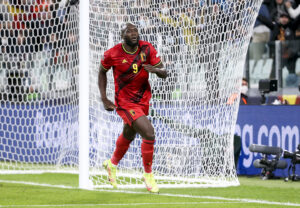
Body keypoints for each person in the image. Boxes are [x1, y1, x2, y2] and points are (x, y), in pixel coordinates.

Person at [98, 23, 167, 193]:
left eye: (135, 30)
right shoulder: (112, 53)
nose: (134, 33)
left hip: (143, 100)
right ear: (122, 35)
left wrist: (156, 70)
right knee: (149, 133)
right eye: (129, 31)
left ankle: (112, 164)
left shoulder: (147, 48)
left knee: (129, 133)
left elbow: (164, 73)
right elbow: (102, 72)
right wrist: (104, 97)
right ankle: (148, 175)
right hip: (125, 102)